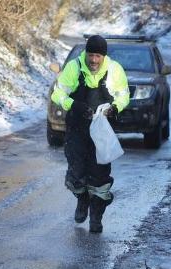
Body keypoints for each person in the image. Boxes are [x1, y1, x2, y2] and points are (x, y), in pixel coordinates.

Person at [50, 35, 130, 233]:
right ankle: (82, 200)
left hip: (102, 130)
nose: (93, 60)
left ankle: (96, 217)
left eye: (98, 56)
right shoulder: (74, 68)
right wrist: (73, 105)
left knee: (100, 175)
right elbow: (57, 93)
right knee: (77, 173)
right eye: (91, 55)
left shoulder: (114, 70)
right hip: (77, 129)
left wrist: (115, 108)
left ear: (104, 56)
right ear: (86, 53)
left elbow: (124, 95)